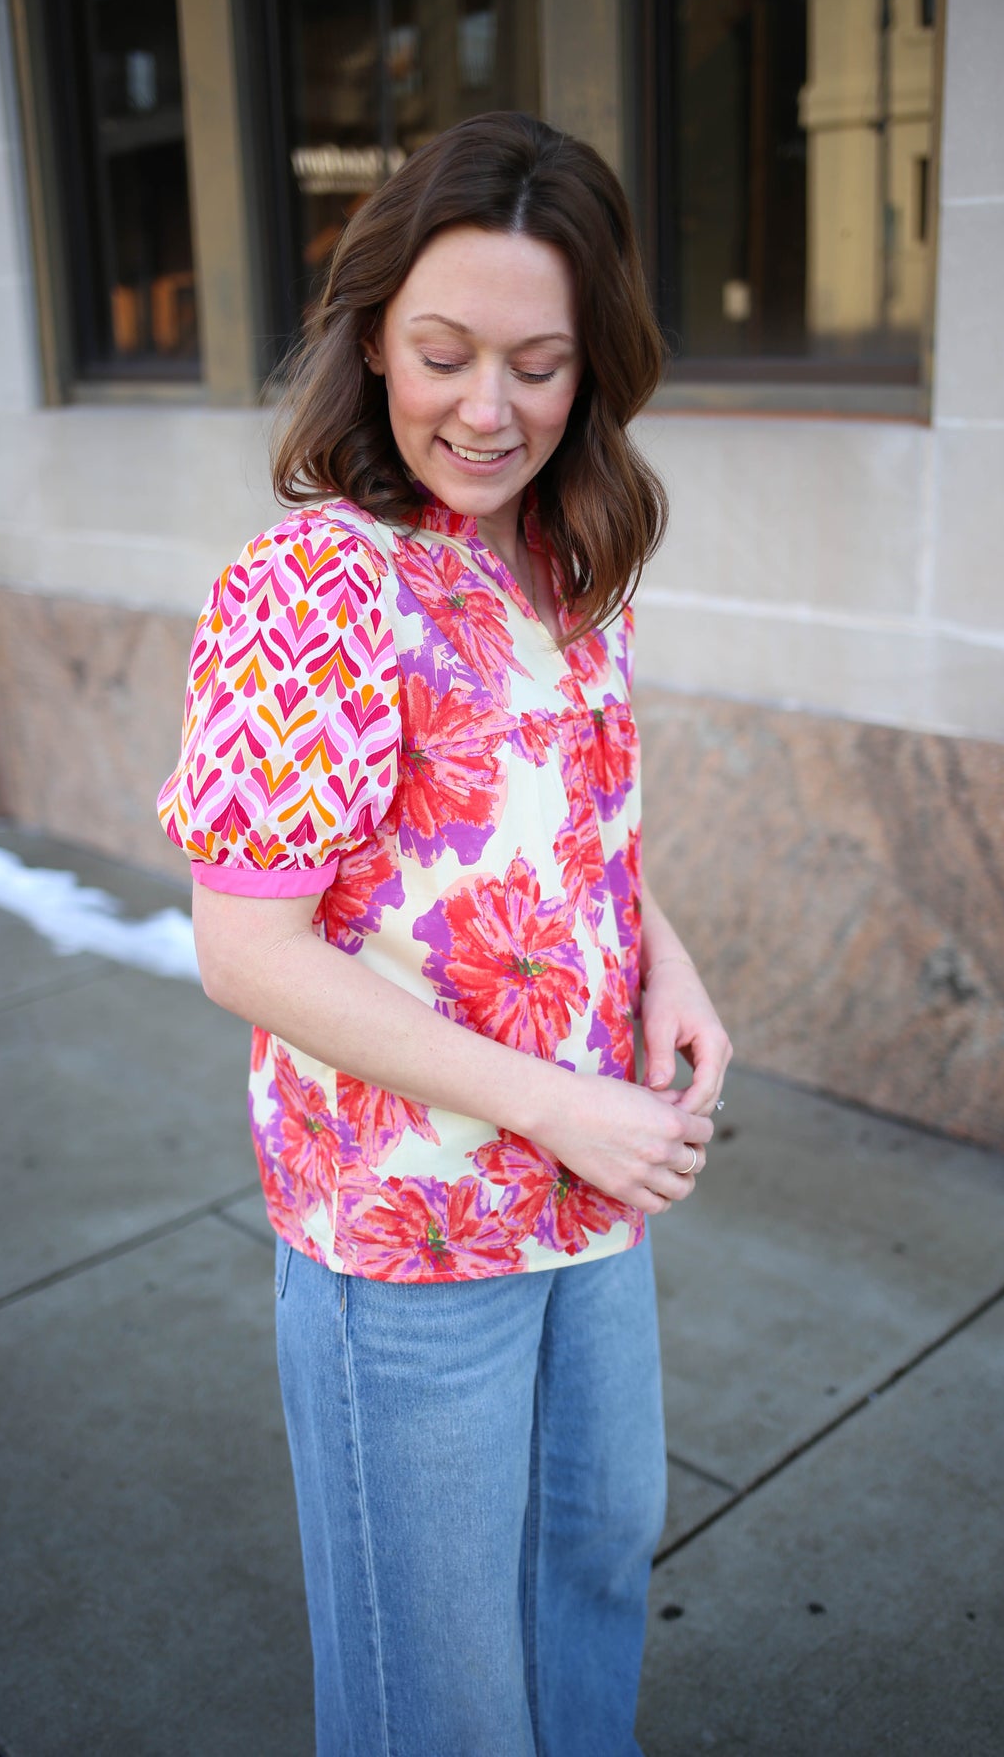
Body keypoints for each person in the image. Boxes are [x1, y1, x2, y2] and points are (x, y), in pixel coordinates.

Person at [158, 110, 732, 1757]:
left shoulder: (569, 554)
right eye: (444, 354)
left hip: (591, 1194)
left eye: (539, 365)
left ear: (593, 364)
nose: (489, 409)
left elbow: (555, 831)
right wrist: (566, 1106)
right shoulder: (312, 588)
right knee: (447, 1698)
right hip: (406, 1233)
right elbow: (247, 948)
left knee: (592, 1577)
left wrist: (667, 965)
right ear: (370, 341)